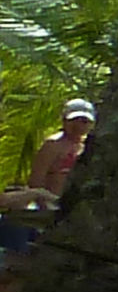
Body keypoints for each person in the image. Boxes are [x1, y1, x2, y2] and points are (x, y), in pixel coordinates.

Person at [0, 97, 93, 252]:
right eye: (74, 120)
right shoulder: (53, 145)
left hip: (69, 211)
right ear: (64, 120)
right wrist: (46, 207)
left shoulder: (86, 148)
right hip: (47, 207)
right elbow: (36, 180)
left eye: (84, 121)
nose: (78, 125)